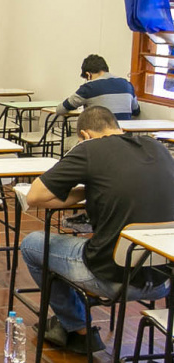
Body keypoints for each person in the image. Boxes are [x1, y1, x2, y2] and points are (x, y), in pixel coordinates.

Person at [20, 106, 174, 354]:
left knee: (32, 244)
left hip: (112, 277)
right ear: (118, 126)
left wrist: (86, 189)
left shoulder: (90, 150)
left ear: (85, 135)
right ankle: (72, 315)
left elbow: (36, 196)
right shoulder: (158, 147)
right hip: (162, 277)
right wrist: (96, 189)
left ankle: (79, 328)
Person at [56, 54, 139, 120]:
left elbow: (60, 109)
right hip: (124, 138)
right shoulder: (128, 85)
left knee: (69, 141)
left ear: (88, 75)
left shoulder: (89, 87)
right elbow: (136, 111)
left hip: (99, 139)